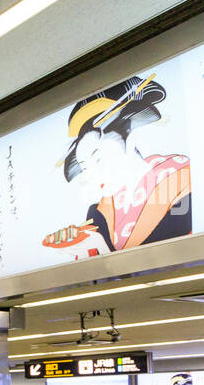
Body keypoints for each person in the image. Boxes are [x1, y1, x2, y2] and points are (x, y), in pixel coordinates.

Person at [49, 74, 192, 260]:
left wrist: (101, 247)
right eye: (85, 167)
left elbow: (173, 256)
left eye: (98, 159)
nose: (93, 176)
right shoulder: (98, 212)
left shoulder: (178, 180)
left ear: (130, 141)